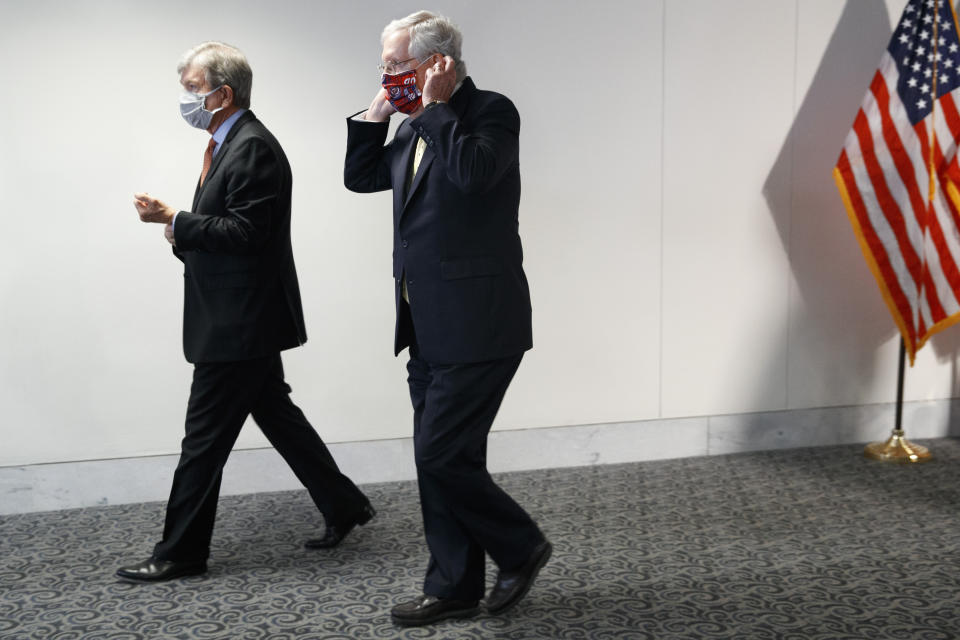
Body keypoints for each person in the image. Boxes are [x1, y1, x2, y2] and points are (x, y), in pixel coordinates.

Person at [117, 41, 373, 583]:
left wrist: (177, 219)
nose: (186, 99)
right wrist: (176, 227)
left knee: (203, 441)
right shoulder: (227, 142)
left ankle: (180, 553)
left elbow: (248, 233)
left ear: (222, 93)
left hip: (240, 323)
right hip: (239, 314)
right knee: (276, 413)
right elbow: (229, 227)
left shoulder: (252, 147)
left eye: (191, 89)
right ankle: (345, 505)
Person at [344, 11, 551, 627]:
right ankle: (454, 584)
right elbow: (361, 178)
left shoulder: (490, 111)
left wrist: (435, 109)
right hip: (425, 324)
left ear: (439, 64)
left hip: (480, 322)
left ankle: (521, 546)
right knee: (441, 458)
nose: (388, 75)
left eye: (396, 65)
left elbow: (475, 175)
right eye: (382, 65)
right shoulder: (409, 127)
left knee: (440, 456)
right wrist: (377, 114)